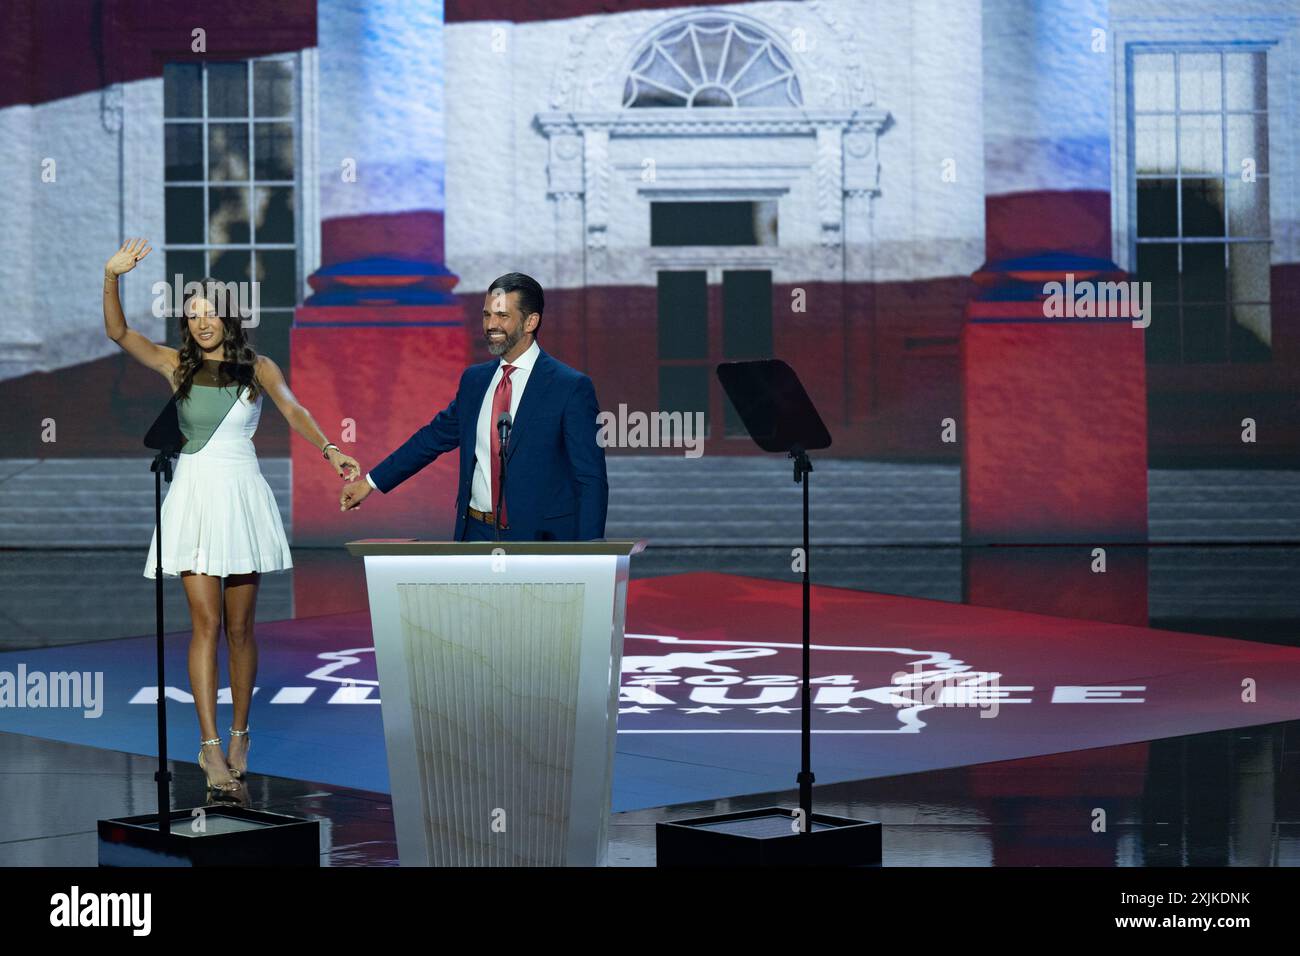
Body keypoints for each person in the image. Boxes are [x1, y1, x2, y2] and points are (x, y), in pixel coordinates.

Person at [103, 238, 361, 793]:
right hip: (195, 497)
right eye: (191, 315)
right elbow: (120, 334)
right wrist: (111, 276)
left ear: (229, 316)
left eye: (209, 313)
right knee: (207, 624)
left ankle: (241, 729)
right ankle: (209, 744)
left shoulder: (257, 367)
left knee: (241, 628)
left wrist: (331, 450)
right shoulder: (176, 366)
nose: (200, 323)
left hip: (242, 496)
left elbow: (295, 409)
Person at [339, 272, 607, 540]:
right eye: (486, 315)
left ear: (530, 322)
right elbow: (430, 440)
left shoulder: (569, 387)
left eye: (502, 316)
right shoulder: (474, 381)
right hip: (475, 533)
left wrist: (591, 557)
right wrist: (370, 483)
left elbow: (590, 479)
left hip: (541, 540)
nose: (491, 324)